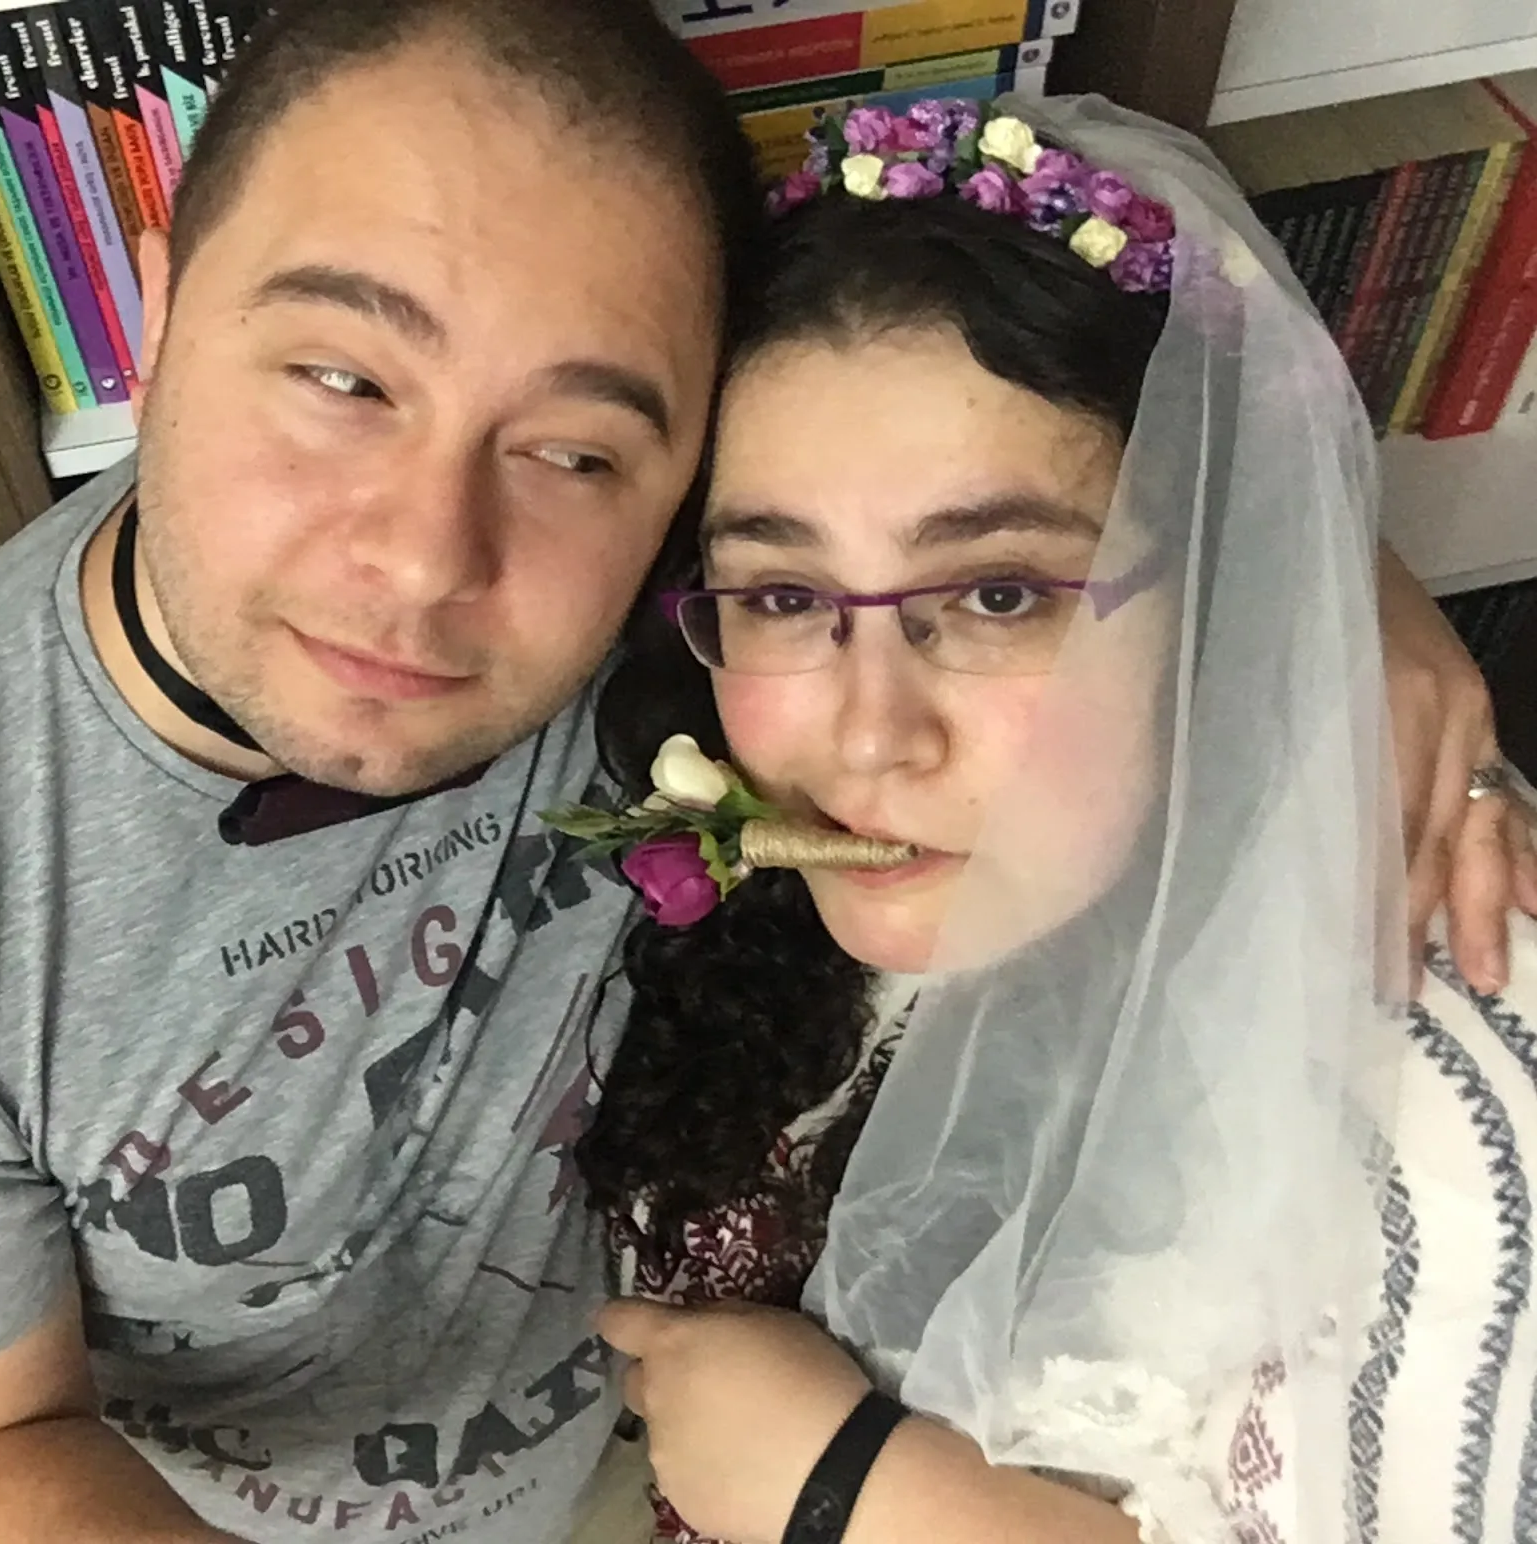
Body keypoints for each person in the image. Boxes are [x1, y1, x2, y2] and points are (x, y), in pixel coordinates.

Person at [0, 0, 1527, 1536]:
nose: (426, 561)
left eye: (575, 449)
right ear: (155, 307)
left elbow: (983, 400)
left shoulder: (714, 635)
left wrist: (1306, 590)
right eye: (342, 379)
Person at [575, 96, 1537, 1544]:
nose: (869, 735)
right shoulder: (747, 857)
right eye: (780, 595)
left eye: (1000, 594)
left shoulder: (1441, 1136)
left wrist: (860, 1497)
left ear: (1226, 583)